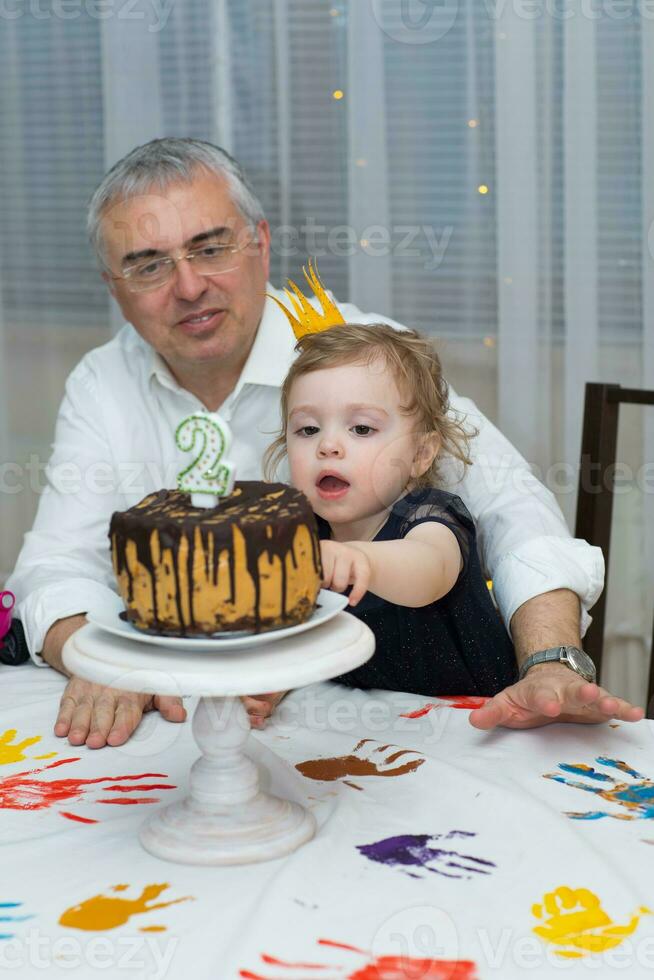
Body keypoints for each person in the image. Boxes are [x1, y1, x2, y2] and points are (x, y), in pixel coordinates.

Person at [6, 138, 642, 749]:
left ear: (260, 241)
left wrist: (552, 662)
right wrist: (98, 656)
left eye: (210, 247)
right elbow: (57, 565)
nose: (190, 286)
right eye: (148, 264)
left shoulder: (364, 358)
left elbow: (512, 513)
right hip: (209, 725)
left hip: (435, 732)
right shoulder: (100, 382)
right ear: (111, 285)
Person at [264, 321, 518, 698]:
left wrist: (358, 558)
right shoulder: (304, 532)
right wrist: (275, 683)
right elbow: (296, 636)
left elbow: (428, 569)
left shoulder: (429, 518)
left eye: (362, 429)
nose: (328, 445)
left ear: (420, 454)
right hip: (374, 727)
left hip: (479, 726)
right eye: (308, 430)